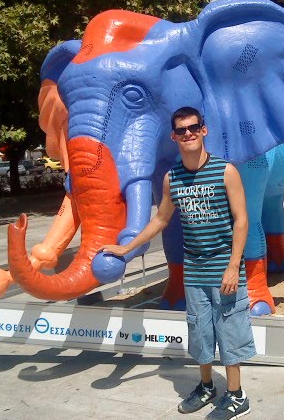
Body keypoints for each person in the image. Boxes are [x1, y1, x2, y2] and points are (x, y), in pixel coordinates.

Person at [99, 107, 255, 419]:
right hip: (194, 271)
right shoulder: (173, 179)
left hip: (225, 269)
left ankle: (237, 395)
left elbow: (241, 220)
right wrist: (126, 247)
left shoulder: (226, 171)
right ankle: (207, 386)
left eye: (193, 128)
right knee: (200, 331)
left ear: (203, 130)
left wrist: (233, 266)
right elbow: (160, 219)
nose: (188, 134)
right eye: (181, 130)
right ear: (174, 136)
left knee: (230, 331)